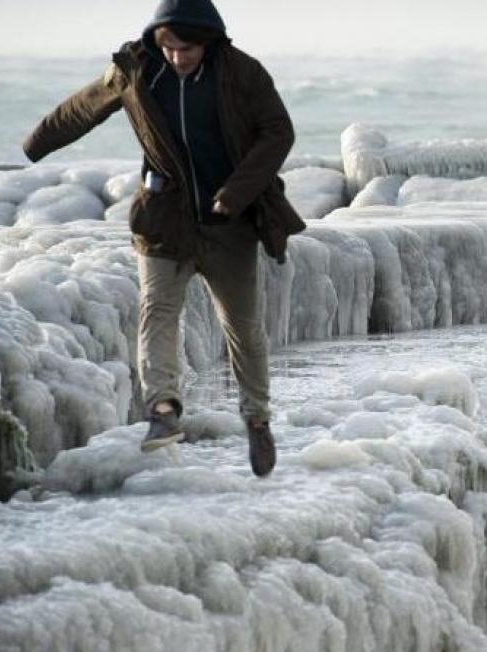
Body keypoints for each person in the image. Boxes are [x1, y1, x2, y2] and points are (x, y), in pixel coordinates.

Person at [22, 0, 305, 476]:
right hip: (164, 218)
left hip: (228, 223)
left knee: (243, 326)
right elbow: (84, 106)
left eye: (187, 48)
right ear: (158, 41)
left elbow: (279, 132)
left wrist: (236, 193)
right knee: (158, 311)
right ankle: (163, 411)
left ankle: (257, 419)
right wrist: (36, 143)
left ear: (208, 41)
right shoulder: (136, 71)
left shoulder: (241, 73)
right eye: (169, 47)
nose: (177, 57)